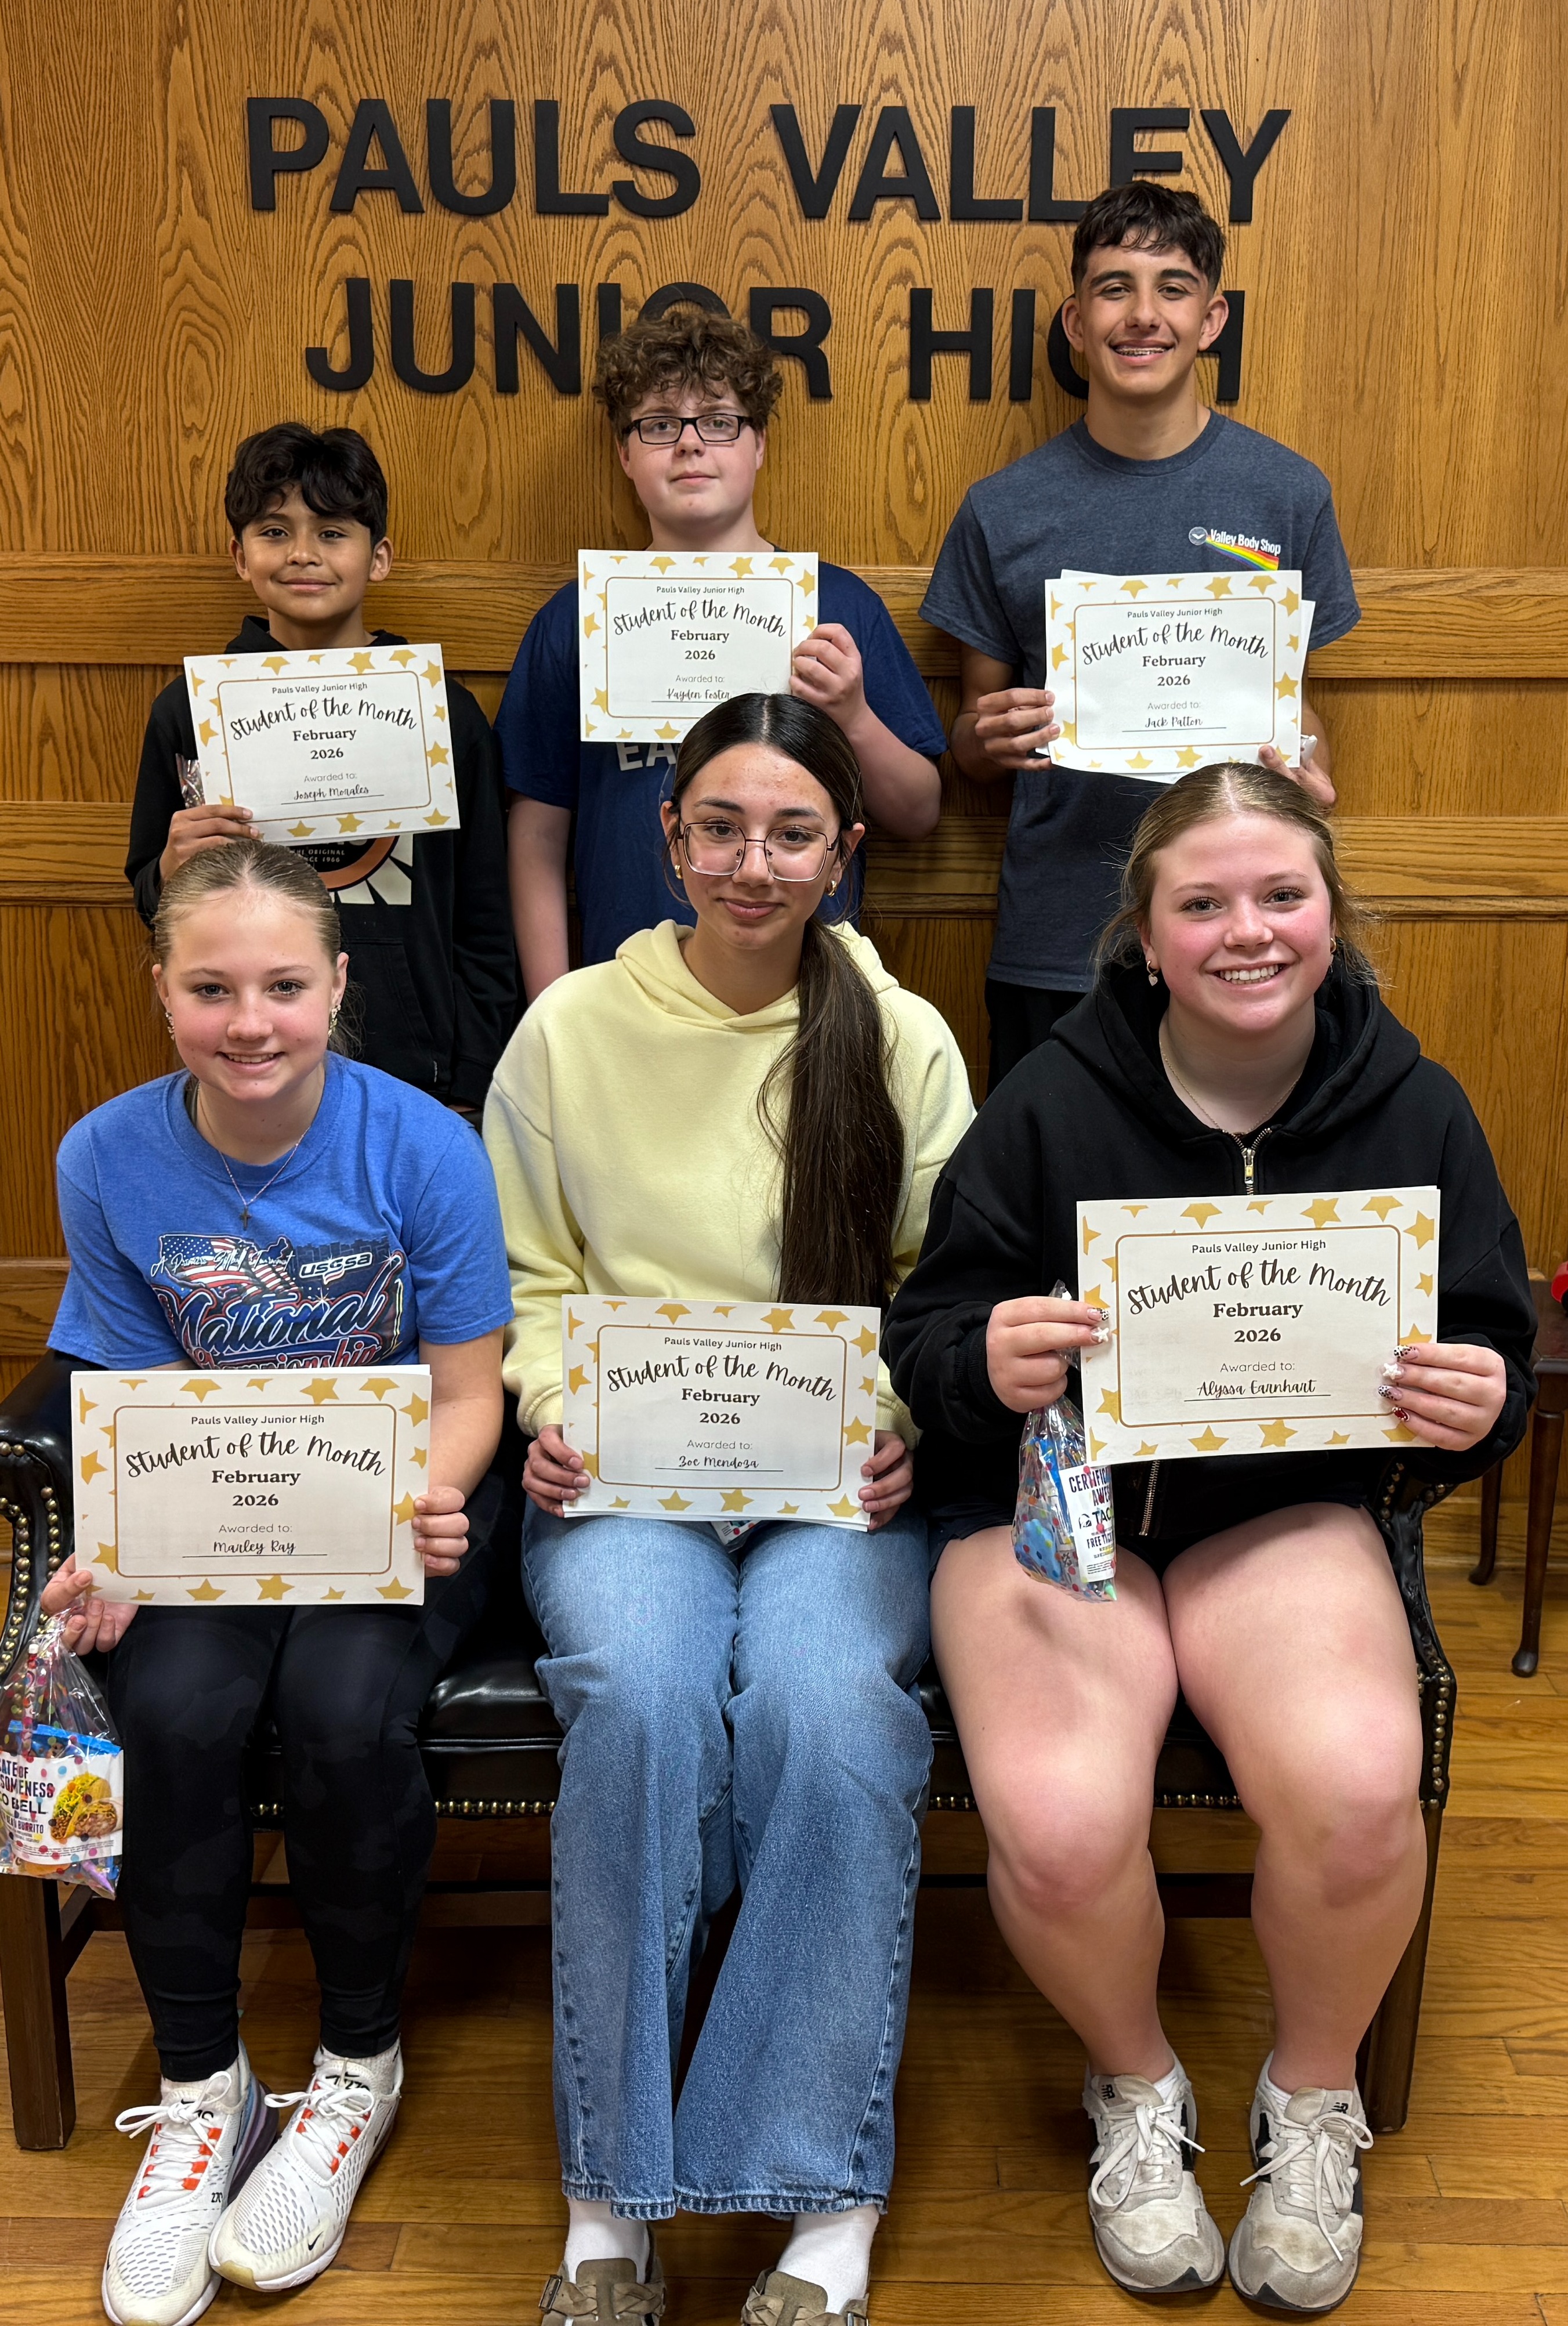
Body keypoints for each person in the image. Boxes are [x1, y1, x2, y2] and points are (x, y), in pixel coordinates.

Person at [881, 764, 1535, 2313]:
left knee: (1364, 1785)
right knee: (1052, 1818)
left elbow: (1489, 1351)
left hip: (1276, 1512)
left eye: (1281, 895)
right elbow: (927, 1336)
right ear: (1147, 938)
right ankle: (1138, 2085)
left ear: (1332, 917)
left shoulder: (1421, 1107)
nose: (1249, 931)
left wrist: (1480, 1397)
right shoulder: (1048, 1098)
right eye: (1203, 904)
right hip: (1060, 1502)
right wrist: (986, 1361)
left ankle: (1311, 2101)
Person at [483, 693, 974, 2325]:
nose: (752, 864)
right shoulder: (567, 1032)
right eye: (720, 829)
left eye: (792, 832)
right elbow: (529, 1279)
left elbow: (941, 1287)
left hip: (838, 1481)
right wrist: (552, 1412)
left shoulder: (896, 1035)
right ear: (671, 838)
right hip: (626, 1472)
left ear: (841, 851)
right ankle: (611, 2193)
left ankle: (816, 2185)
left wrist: (901, 1419)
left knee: (832, 1711)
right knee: (638, 1698)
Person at [39, 840, 513, 2326]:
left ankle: (355, 2066)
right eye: (212, 987)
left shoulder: (425, 1142)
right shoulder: (106, 1153)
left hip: (393, 1508)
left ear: (340, 984)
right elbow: (116, 1386)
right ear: (163, 989)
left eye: (285, 985)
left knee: (344, 1707)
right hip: (207, 1509)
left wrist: (435, 1491)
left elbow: (468, 1391)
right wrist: (107, 1533)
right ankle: (201, 2085)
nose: (251, 1021)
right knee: (170, 1708)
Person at [920, 183, 1361, 1091]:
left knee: (1223, 1217)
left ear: (1212, 318)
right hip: (1060, 938)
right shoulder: (1003, 510)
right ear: (1077, 322)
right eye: (1115, 288)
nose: (1143, 314)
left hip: (1240, 938)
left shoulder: (1286, 494)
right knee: (1049, 1207)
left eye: (1173, 286)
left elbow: (1300, 707)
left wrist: (1312, 762)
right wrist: (989, 738)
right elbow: (968, 743)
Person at [497, 309, 946, 995]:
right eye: (658, 425)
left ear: (758, 444)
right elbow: (537, 835)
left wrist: (853, 717)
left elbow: (918, 813)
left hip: (806, 994)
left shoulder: (841, 607)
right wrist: (553, 1005)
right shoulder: (573, 620)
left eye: (718, 420)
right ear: (624, 454)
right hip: (622, 991)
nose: (689, 445)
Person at [125, 422, 519, 1110]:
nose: (304, 554)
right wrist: (167, 871)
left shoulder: (445, 716)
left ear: (380, 557)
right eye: (274, 531)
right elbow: (154, 904)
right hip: (253, 1063)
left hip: (418, 1076)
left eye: (333, 532)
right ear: (239, 556)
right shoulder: (189, 712)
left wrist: (475, 1079)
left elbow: (485, 922)